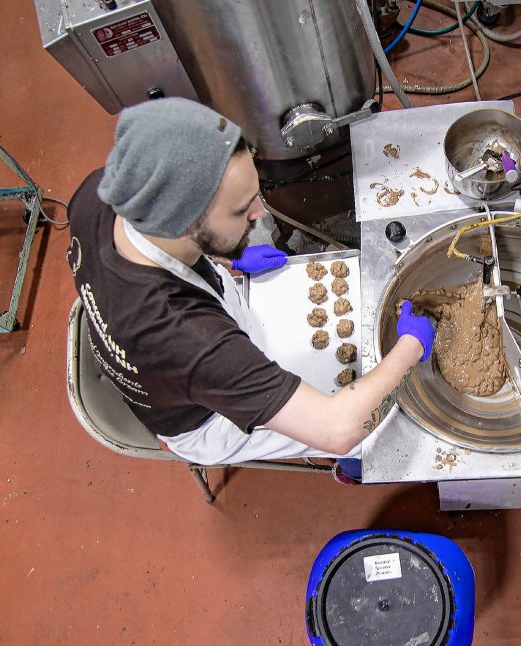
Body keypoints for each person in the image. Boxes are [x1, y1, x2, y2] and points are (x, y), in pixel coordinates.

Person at [66, 98, 435, 466]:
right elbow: (337, 429)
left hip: (179, 359)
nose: (260, 213)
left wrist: (224, 258)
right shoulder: (191, 339)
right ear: (184, 225)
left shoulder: (97, 196)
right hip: (210, 419)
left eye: (254, 194)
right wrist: (409, 347)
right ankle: (352, 471)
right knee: (366, 434)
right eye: (242, 210)